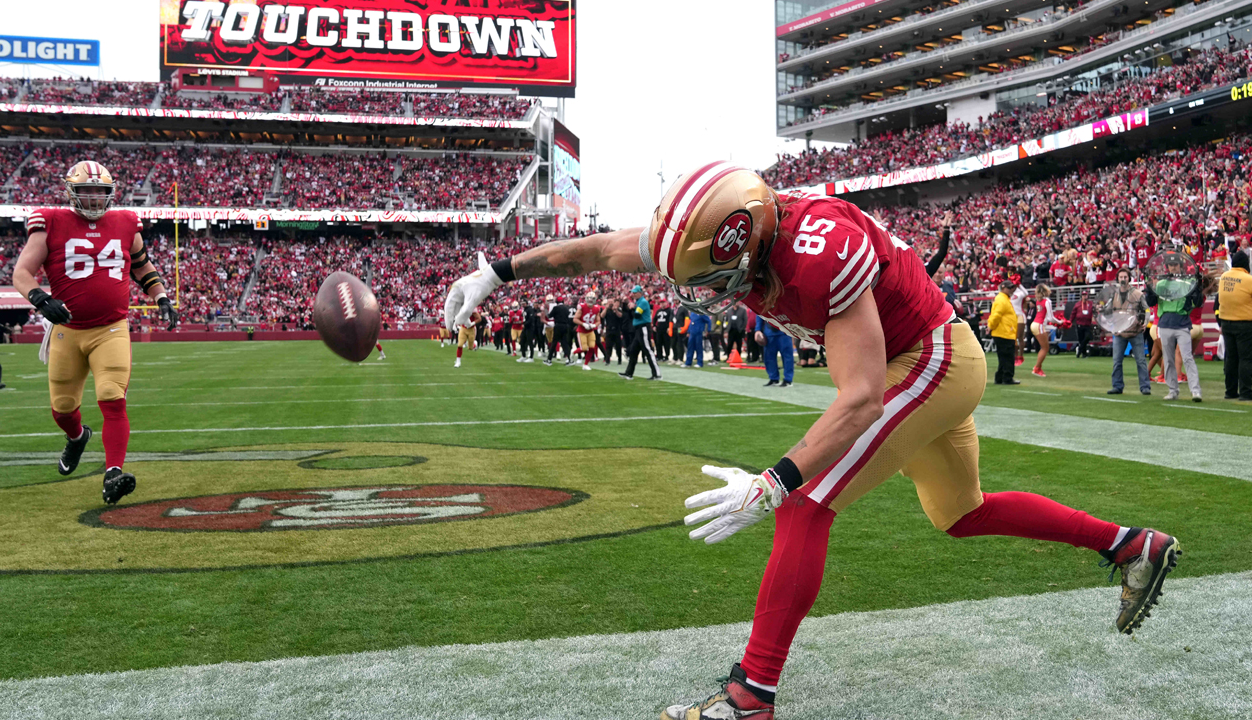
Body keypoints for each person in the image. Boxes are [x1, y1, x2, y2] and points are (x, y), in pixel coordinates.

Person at [443, 163, 1179, 719]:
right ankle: (1129, 545)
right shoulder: (727, 229)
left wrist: (772, 481)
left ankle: (750, 696)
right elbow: (603, 253)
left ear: (750, 239)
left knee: (802, 503)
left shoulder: (816, 250)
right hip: (921, 354)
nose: (704, 290)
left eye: (713, 278)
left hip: (927, 361)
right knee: (961, 514)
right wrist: (500, 272)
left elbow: (859, 397)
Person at [11, 160, 179, 505]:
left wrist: (161, 296)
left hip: (111, 329)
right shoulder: (51, 221)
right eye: (86, 190)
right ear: (72, 191)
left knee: (112, 397)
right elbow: (22, 273)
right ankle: (76, 438)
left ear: (109, 193)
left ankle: (113, 473)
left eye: (99, 191)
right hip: (67, 330)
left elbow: (142, 265)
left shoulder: (125, 223)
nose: (93, 198)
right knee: (62, 408)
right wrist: (41, 298)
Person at [1144, 262, 1206, 401]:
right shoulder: (1161, 284)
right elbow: (1151, 301)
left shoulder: (1187, 283)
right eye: (1171, 265)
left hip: (1182, 323)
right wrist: (1150, 287)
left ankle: (1195, 390)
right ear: (1168, 267)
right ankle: (1173, 390)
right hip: (1165, 323)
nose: (1173, 267)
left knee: (1187, 357)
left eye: (1175, 265)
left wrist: (1198, 287)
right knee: (1169, 359)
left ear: (1180, 267)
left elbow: (1197, 302)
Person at [1106, 268, 1151, 395]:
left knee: (1141, 361)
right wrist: (1111, 326)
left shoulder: (1138, 293)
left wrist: (1146, 322)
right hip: (1119, 333)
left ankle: (1145, 387)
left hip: (1135, 332)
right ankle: (1117, 386)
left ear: (1129, 278)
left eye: (1125, 277)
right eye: (1121, 277)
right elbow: (1107, 312)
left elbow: (1147, 310)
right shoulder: (1113, 294)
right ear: (1118, 279)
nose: (1123, 279)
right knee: (1116, 361)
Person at [1216, 250, 1252, 401]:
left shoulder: (1224, 277)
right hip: (1244, 323)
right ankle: (1246, 392)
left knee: (1231, 358)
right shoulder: (1248, 279)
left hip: (1226, 323)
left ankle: (1230, 391)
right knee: (1246, 359)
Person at [619, 285, 660, 380]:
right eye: (632, 292)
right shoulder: (638, 302)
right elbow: (631, 314)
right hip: (639, 329)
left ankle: (656, 373)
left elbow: (637, 315)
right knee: (633, 351)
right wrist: (628, 305)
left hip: (643, 328)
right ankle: (629, 373)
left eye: (635, 292)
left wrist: (632, 307)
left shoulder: (643, 302)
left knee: (648, 350)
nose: (633, 294)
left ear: (640, 293)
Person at [989, 280, 1021, 385]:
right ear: (1003, 288)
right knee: (1008, 357)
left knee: (1003, 357)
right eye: (1009, 288)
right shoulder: (1002, 299)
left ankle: (1000, 377)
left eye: (1012, 287)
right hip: (1004, 333)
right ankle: (1007, 377)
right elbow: (996, 315)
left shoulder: (1003, 299)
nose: (1011, 290)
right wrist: (990, 326)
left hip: (1003, 332)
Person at [754, 315, 793, 387]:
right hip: (769, 332)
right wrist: (758, 329)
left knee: (787, 357)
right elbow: (759, 313)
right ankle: (773, 378)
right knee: (769, 358)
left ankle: (788, 380)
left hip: (784, 332)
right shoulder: (763, 303)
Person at [1030, 284, 1055, 377]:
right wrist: (1060, 322)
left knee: (1043, 347)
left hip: (1034, 324)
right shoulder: (1047, 301)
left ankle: (1038, 368)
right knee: (1045, 348)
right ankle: (1037, 368)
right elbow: (1050, 318)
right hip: (1039, 325)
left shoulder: (1038, 301)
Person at [575, 291, 601, 370]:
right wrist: (583, 324)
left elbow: (598, 321)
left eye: (592, 299)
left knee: (592, 348)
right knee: (584, 348)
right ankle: (571, 353)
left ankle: (585, 364)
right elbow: (575, 319)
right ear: (586, 299)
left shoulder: (596, 308)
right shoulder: (582, 307)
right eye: (589, 298)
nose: (590, 300)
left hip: (590, 331)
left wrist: (594, 325)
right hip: (582, 331)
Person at [1073, 291, 1096, 357]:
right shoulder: (1078, 304)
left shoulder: (1090, 303)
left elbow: (1094, 309)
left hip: (1087, 324)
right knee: (1081, 339)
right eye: (1083, 295)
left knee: (1088, 337)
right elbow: (1073, 313)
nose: (1085, 296)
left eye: (1085, 295)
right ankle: (1084, 354)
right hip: (1079, 324)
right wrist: (1070, 321)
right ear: (1081, 296)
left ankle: (1079, 350)